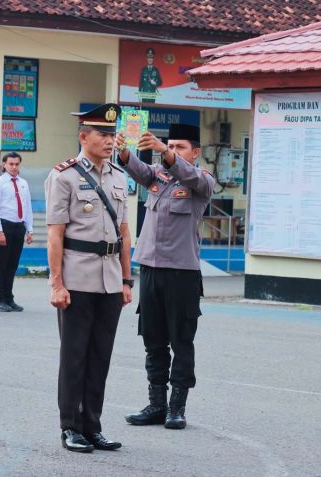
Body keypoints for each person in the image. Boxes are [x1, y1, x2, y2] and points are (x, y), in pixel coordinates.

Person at [45, 104, 132, 453]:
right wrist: (56, 282)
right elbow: (55, 234)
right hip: (77, 277)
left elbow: (125, 232)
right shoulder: (64, 176)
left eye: (113, 134)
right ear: (84, 137)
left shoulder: (118, 177)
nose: (110, 141)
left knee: (100, 355)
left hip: (110, 278)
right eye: (103, 134)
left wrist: (127, 280)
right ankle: (71, 426)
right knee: (75, 355)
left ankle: (92, 425)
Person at [117, 124, 214, 430]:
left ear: (194, 153)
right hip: (150, 269)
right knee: (153, 339)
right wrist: (122, 151)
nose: (171, 149)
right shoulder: (158, 177)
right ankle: (156, 404)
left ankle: (177, 407)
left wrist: (163, 151)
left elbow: (191, 176)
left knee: (181, 341)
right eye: (169, 144)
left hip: (182, 273)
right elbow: (139, 169)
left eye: (179, 146)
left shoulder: (201, 181)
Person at [0, 152, 33, 312]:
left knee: (12, 265)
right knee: (1, 265)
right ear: (4, 165)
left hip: (18, 227)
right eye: (11, 164)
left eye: (17, 164)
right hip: (4, 226)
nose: (14, 167)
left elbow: (27, 206)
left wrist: (29, 229)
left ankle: (9, 298)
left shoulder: (23, 183)